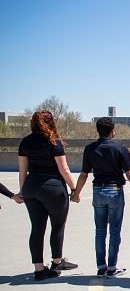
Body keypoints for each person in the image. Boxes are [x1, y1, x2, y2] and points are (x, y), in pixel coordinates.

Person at [17, 110, 79, 281]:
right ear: (51, 122)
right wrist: (74, 189)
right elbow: (64, 169)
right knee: (57, 225)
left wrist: (22, 191)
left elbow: (23, 170)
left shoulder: (25, 142)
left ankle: (39, 269)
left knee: (37, 228)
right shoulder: (54, 142)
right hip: (52, 187)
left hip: (31, 186)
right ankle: (57, 261)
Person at [71, 117, 130, 277]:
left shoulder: (90, 149)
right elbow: (129, 173)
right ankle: (112, 267)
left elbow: (84, 174)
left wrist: (76, 193)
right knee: (114, 231)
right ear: (113, 130)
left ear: (98, 130)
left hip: (98, 189)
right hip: (115, 190)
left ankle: (101, 267)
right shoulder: (120, 148)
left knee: (100, 231)